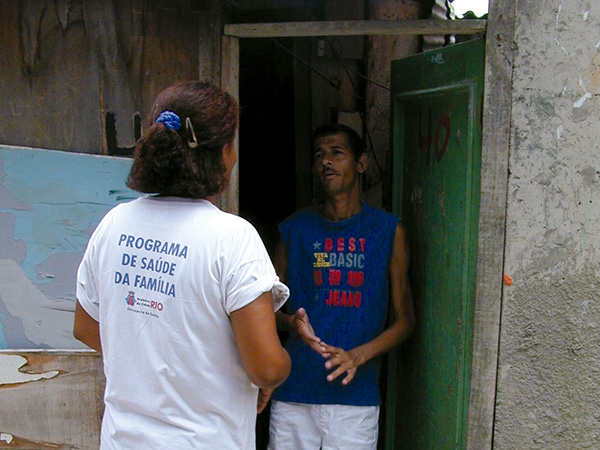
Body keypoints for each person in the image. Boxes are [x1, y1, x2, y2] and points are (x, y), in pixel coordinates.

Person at [73, 80, 291, 450]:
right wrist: (275, 368)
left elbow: (85, 327)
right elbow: (266, 367)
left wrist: (150, 365)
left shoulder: (114, 224)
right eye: (233, 145)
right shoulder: (232, 237)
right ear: (222, 153)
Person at [267, 124, 415, 450]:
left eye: (337, 152)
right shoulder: (294, 231)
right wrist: (291, 322)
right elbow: (264, 312)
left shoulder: (389, 232)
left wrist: (357, 356)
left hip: (356, 398)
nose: (326, 162)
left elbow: (405, 321)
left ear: (361, 163)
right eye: (319, 155)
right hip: (295, 394)